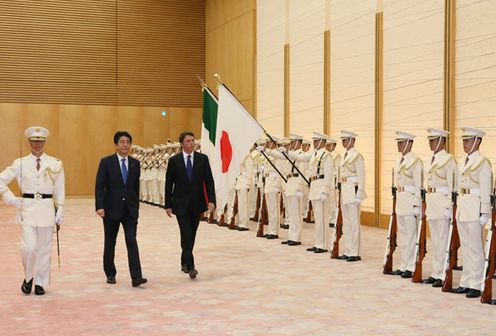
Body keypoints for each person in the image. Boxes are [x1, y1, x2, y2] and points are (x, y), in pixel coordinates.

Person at [0, 126, 65, 295]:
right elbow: (1, 181)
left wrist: (61, 210)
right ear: (29, 141)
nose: (37, 143)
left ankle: (40, 283)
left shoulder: (55, 163)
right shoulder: (20, 163)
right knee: (29, 247)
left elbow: (59, 188)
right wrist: (12, 199)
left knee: (44, 248)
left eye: (41, 140)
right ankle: (28, 276)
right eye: (34, 140)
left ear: (45, 142)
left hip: (47, 210)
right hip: (27, 210)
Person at [95, 131, 147, 287]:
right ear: (116, 145)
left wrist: (136, 207)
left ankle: (136, 277)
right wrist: (100, 206)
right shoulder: (106, 162)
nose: (125, 145)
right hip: (111, 209)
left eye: (128, 142)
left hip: (130, 210)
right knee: (110, 242)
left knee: (132, 241)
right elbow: (99, 186)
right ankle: (110, 273)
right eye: (122, 142)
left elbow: (135, 188)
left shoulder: (135, 163)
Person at [165, 131, 216, 279]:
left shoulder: (202, 159)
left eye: (193, 140)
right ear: (182, 144)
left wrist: (211, 200)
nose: (192, 143)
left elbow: (209, 181)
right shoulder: (174, 160)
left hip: (197, 203)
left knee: (191, 234)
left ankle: (184, 261)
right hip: (180, 204)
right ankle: (191, 266)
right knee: (186, 233)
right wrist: (167, 204)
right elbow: (169, 183)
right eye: (188, 141)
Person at [451, 127, 491, 298]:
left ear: (477, 141)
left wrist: (485, 212)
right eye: (463, 140)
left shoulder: (483, 162)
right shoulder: (462, 161)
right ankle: (466, 281)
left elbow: (486, 188)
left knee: (475, 247)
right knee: (465, 246)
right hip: (463, 207)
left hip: (475, 208)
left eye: (467, 141)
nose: (464, 144)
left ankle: (476, 283)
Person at [423, 128, 457, 287]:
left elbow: (453, 186)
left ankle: (443, 274)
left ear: (442, 141)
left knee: (443, 241)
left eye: (433, 140)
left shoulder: (448, 160)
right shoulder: (431, 159)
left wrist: (449, 206)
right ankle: (436, 272)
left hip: (442, 203)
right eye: (429, 140)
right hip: (432, 202)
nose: (430, 143)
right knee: (435, 241)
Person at [390, 131, 423, 278]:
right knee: (402, 235)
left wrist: (417, 204)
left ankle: (411, 265)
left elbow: (418, 185)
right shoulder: (398, 161)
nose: (399, 145)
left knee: (411, 235)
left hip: (410, 201)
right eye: (398, 142)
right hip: (401, 200)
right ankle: (403, 264)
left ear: (410, 143)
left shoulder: (415, 162)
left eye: (402, 142)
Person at [338, 130, 366, 262]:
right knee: (347, 223)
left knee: (354, 223)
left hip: (353, 191)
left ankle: (355, 252)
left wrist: (360, 193)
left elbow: (362, 176)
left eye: (345, 139)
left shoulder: (357, 156)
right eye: (342, 140)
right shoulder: (345, 155)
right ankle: (348, 249)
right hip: (345, 191)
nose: (343, 142)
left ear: (352, 140)